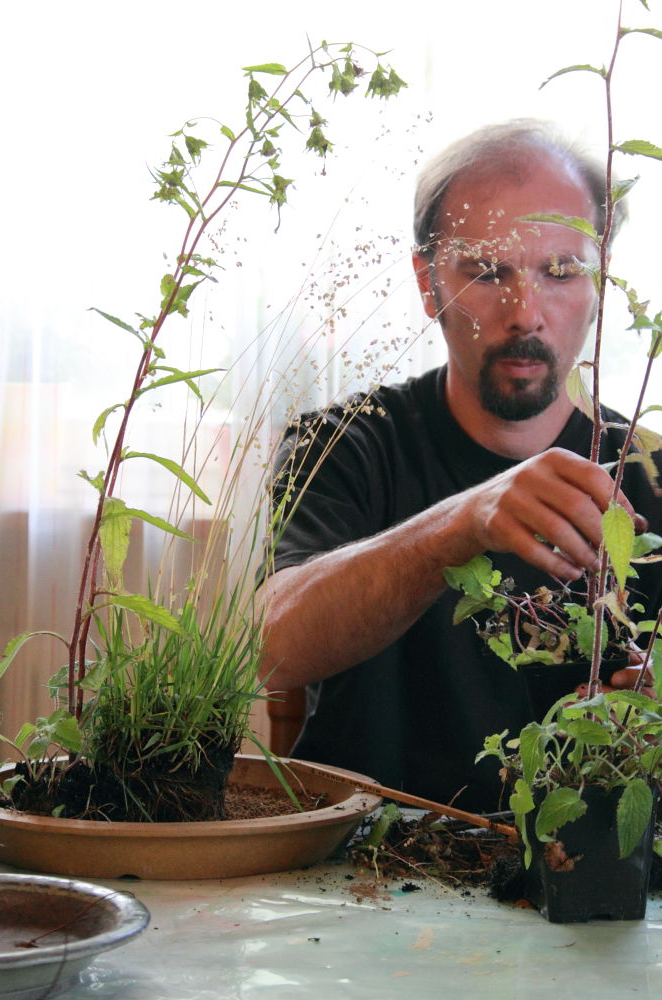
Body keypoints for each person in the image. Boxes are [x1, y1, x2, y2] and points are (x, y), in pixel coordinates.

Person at [257, 120, 662, 812]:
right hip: (362, 857)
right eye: (486, 271)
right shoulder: (345, 443)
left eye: (561, 272)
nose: (525, 313)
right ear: (428, 282)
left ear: (601, 281)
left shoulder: (648, 475)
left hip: (577, 865)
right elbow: (273, 649)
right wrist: (464, 521)